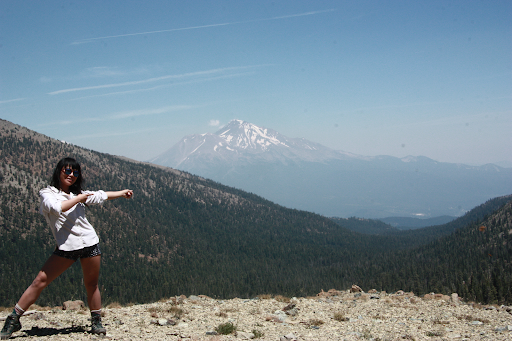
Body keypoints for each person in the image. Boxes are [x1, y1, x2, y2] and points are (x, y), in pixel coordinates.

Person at [0, 157, 133, 339]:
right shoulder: (47, 193)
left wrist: (121, 193)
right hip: (67, 247)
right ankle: (13, 319)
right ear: (59, 172)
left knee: (92, 284)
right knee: (40, 281)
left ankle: (96, 321)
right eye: (68, 171)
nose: (72, 175)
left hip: (89, 242)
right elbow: (56, 208)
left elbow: (101, 195)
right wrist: (79, 198)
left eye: (75, 172)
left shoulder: (78, 194)